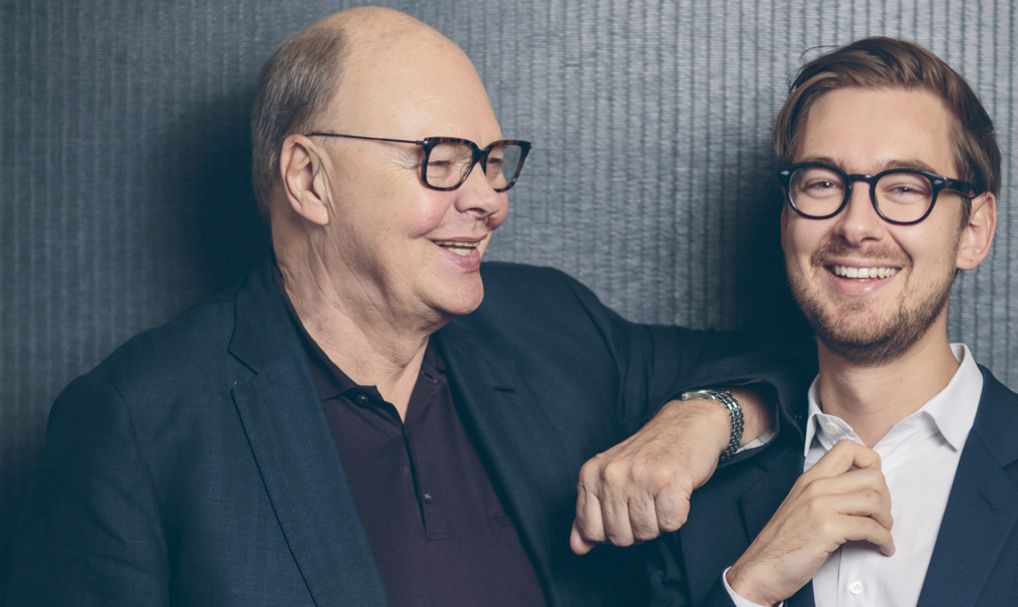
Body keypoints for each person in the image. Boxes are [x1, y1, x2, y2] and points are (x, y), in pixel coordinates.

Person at [5, 8, 787, 607]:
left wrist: (708, 416)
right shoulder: (136, 425)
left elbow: (791, 360)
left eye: (490, 162)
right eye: (441, 162)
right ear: (310, 180)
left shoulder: (550, 325)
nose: (487, 200)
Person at [645, 37, 1018, 607]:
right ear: (787, 218)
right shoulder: (689, 494)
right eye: (823, 182)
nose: (856, 226)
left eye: (905, 188)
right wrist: (749, 591)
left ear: (973, 231)